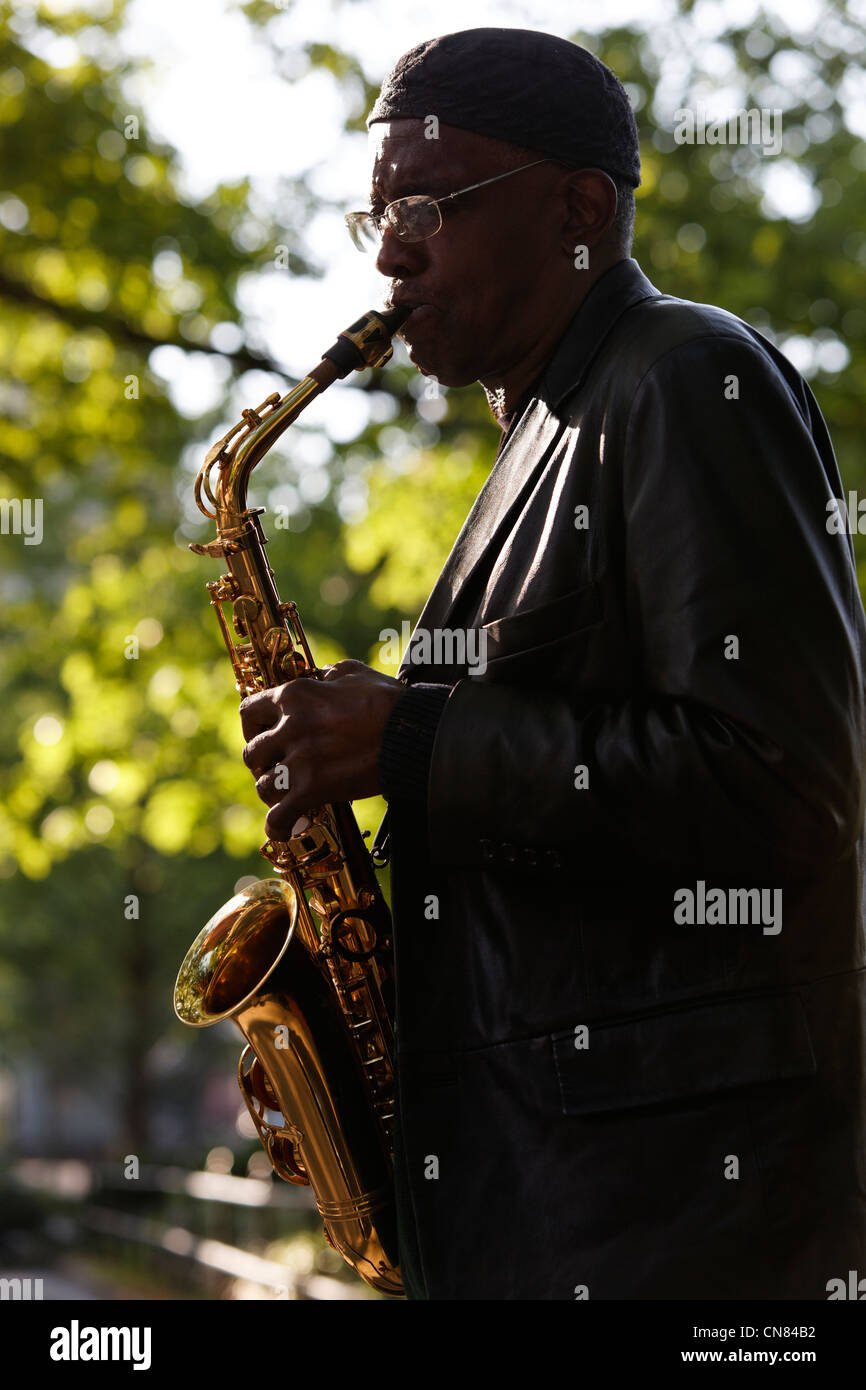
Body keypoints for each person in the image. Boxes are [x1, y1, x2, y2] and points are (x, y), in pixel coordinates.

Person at [239, 28, 866, 1300]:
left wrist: (408, 738)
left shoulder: (687, 375)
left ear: (579, 210)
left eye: (426, 206)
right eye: (374, 213)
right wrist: (365, 1062)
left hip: (677, 1228)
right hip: (567, 1203)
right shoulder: (554, 423)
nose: (388, 252)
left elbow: (788, 788)